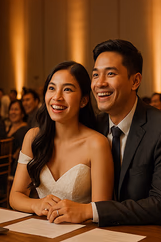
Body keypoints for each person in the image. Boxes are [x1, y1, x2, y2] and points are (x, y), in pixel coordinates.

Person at [47, 40, 161, 232]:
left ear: (135, 81)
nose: (100, 83)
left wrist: (90, 211)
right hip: (105, 232)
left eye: (110, 74)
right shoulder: (92, 127)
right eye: (95, 75)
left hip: (160, 234)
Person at [9, 61, 113, 216]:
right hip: (42, 229)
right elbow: (15, 196)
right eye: (52, 88)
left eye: (67, 90)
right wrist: (36, 204)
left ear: (83, 101)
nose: (57, 97)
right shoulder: (33, 137)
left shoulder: (96, 144)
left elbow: (101, 209)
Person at [6, 99, 29, 175]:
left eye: (16, 109)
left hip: (15, 169)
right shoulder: (8, 128)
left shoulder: (24, 130)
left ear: (22, 113)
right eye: (11, 109)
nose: (13, 112)